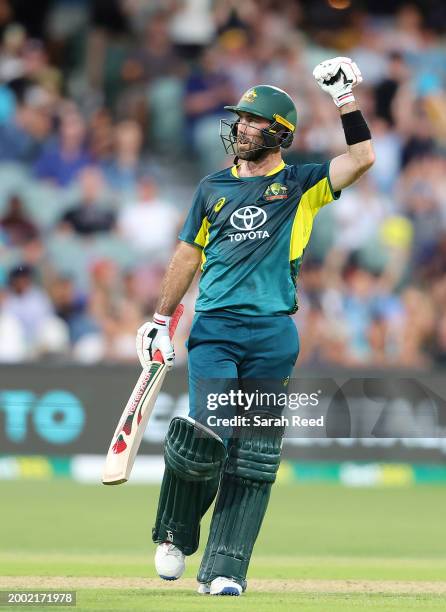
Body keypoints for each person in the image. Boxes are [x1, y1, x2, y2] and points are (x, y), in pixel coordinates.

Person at [136, 57, 375, 596]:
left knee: (255, 455)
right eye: (239, 119)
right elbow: (185, 257)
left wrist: (344, 99)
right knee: (206, 435)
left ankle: (226, 569)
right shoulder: (210, 188)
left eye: (252, 120)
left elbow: (363, 157)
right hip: (216, 328)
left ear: (280, 133)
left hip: (272, 334)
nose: (241, 126)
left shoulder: (303, 184)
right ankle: (175, 533)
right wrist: (158, 321)